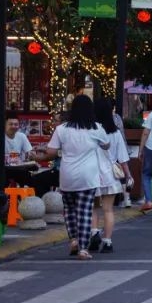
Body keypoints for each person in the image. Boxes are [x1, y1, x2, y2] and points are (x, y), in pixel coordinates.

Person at [45, 96, 110, 260]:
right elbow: (107, 144)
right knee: (85, 212)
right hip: (88, 176)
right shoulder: (96, 128)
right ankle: (83, 249)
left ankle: (73, 240)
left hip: (67, 175)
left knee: (70, 211)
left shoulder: (62, 129)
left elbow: (51, 152)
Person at [88, 97, 129, 254]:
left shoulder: (91, 130)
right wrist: (128, 175)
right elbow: (123, 158)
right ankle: (108, 241)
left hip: (92, 173)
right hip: (110, 174)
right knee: (108, 209)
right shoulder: (115, 132)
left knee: (93, 208)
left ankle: (94, 232)